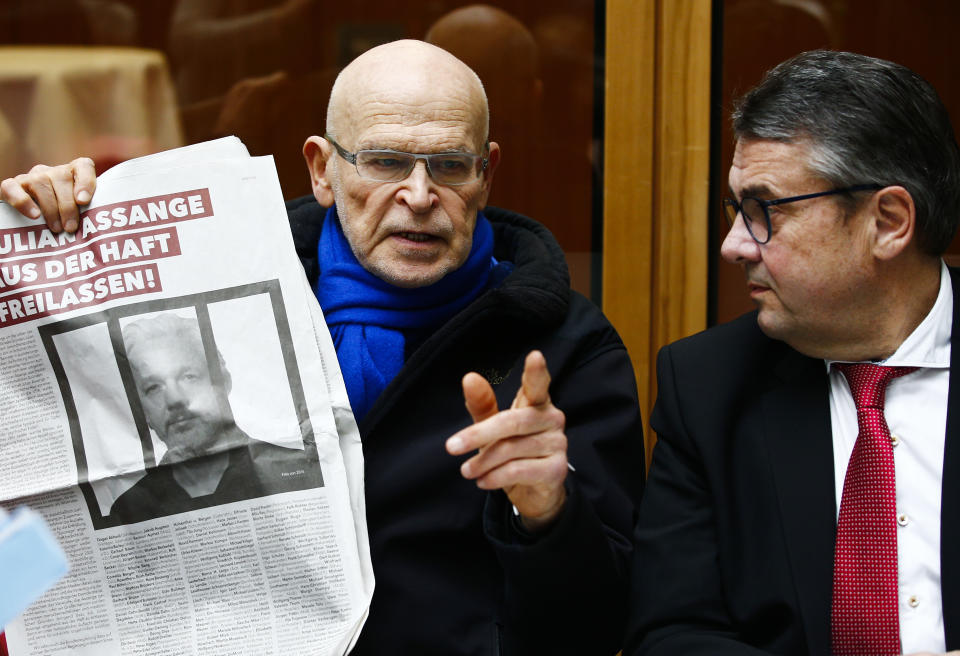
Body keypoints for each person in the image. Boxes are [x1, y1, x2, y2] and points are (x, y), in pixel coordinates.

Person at [1, 40, 644, 655]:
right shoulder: (220, 277)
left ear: (487, 173)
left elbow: (599, 627)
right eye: (385, 162)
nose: (419, 197)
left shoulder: (567, 350)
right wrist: (56, 234)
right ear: (322, 169)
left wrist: (548, 516)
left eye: (449, 165)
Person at [624, 50, 960, 655]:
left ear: (887, 221)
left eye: (764, 212)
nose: (733, 247)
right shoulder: (708, 387)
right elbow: (672, 635)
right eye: (736, 211)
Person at [108, 313, 323, 525]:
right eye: (153, 388)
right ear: (143, 411)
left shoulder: (299, 471)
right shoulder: (129, 509)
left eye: (188, 377)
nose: (174, 399)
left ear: (223, 380)